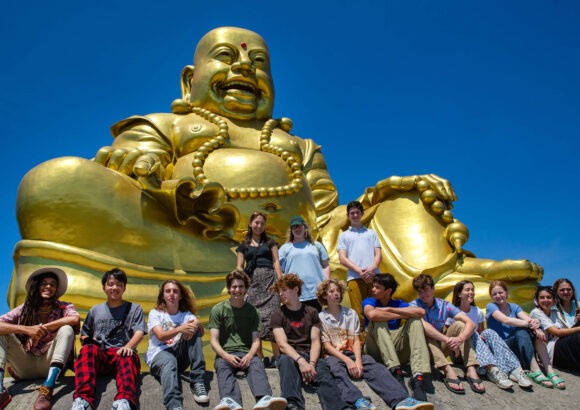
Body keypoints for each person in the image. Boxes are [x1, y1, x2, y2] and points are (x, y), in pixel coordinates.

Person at [13, 26, 543, 317]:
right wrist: (146, 164)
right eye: (227, 57)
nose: (244, 68)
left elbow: (332, 214)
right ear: (187, 80)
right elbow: (127, 159)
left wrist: (391, 195)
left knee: (398, 201)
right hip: (193, 247)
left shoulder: (297, 145)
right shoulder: (165, 125)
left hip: (302, 260)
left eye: (258, 63)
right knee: (55, 184)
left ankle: (443, 285)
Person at [270, 274, 373, 410]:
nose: (281, 294)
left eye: (284, 290)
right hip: (291, 356)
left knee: (324, 372)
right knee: (284, 361)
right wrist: (301, 362)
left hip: (310, 354)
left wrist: (311, 363)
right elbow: (282, 345)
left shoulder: (311, 312)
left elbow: (316, 341)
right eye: (279, 291)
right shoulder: (278, 314)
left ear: (295, 290)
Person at [318, 279, 434, 410]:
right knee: (335, 369)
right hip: (335, 355)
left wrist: (358, 361)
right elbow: (327, 346)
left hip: (352, 352)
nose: (336, 294)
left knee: (375, 366)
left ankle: (401, 400)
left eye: (338, 291)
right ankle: (358, 400)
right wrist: (348, 361)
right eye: (331, 291)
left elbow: (355, 340)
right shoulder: (321, 318)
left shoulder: (351, 314)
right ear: (324, 296)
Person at [67, 268, 146, 410]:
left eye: (118, 284)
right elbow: (84, 333)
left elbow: (139, 331)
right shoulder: (95, 310)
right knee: (87, 350)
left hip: (121, 355)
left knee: (128, 354)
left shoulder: (134, 308)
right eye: (110, 284)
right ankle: (82, 401)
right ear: (104, 287)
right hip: (101, 356)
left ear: (124, 287)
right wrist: (89, 340)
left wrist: (129, 346)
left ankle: (123, 401)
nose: (114, 288)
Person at [208, 270, 287, 410]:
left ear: (246, 289)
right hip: (226, 354)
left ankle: (264, 398)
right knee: (222, 366)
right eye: (234, 287)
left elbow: (256, 340)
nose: (237, 290)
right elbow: (213, 340)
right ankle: (230, 401)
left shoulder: (253, 311)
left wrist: (250, 355)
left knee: (256, 365)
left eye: (241, 287)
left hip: (246, 352)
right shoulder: (218, 309)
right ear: (229, 288)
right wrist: (225, 355)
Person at [0, 268, 79, 410]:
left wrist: (41, 329)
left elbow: (74, 319)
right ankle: (0, 391)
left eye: (52, 284)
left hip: (50, 364)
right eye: (44, 283)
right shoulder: (24, 309)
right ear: (36, 286)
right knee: (2, 333)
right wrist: (27, 330)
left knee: (67, 328)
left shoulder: (64, 307)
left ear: (56, 289)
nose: (48, 287)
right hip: (25, 365)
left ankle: (47, 389)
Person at [146, 279, 209, 410]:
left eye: (175, 291)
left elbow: (201, 333)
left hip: (179, 357)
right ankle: (173, 408)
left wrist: (197, 324)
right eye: (168, 291)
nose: (171, 294)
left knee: (195, 332)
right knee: (169, 360)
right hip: (160, 354)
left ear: (180, 296)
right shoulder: (155, 313)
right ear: (163, 295)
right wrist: (181, 329)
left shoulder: (186, 315)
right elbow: (161, 336)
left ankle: (197, 381)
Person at [449, 280, 531, 390]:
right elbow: (448, 333)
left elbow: (481, 333)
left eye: (472, 290)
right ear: (459, 294)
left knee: (488, 332)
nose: (471, 292)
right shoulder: (453, 312)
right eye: (467, 290)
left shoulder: (476, 311)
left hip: (479, 350)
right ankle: (493, 371)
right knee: (471, 330)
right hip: (462, 351)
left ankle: (516, 370)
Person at [410, 274, 484, 394]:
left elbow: (470, 323)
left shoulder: (444, 305)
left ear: (433, 289)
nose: (423, 295)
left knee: (460, 325)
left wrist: (459, 339)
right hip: (423, 348)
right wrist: (446, 339)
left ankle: (470, 368)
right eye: (420, 292)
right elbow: (425, 327)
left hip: (441, 346)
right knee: (424, 330)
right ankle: (447, 370)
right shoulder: (414, 305)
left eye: (426, 290)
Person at [362, 273, 431, 401]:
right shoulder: (369, 301)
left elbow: (421, 312)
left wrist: (389, 309)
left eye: (377, 287)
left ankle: (418, 376)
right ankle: (395, 372)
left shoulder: (398, 303)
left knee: (415, 321)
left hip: (396, 347)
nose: (373, 289)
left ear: (388, 291)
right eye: (373, 286)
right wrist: (400, 315)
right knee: (378, 320)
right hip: (375, 349)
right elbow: (371, 314)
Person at [486, 281, 561, 389]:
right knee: (522, 330)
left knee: (535, 331)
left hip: (517, 344)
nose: (498, 296)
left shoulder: (514, 307)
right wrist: (530, 325)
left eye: (500, 292)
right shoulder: (491, 306)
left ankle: (549, 371)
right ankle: (535, 369)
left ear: (506, 293)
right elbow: (505, 320)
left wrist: (536, 325)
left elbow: (527, 319)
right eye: (494, 294)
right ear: (491, 296)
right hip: (502, 345)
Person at [236, 211, 282, 363]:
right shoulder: (243, 246)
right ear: (250, 224)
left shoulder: (270, 243)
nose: (259, 226)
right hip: (253, 285)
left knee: (273, 319)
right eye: (256, 222)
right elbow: (239, 267)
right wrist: (243, 288)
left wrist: (280, 283)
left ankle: (277, 357)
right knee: (256, 321)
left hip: (270, 282)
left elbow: (276, 262)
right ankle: (260, 357)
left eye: (262, 223)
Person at [337, 200, 382, 332]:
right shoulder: (344, 236)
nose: (355, 215)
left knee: (377, 309)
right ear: (348, 215)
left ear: (362, 213)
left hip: (374, 277)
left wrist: (372, 268)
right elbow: (342, 258)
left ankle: (379, 341)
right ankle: (362, 346)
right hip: (354, 278)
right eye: (352, 213)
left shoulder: (371, 233)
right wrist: (359, 271)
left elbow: (378, 254)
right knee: (359, 313)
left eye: (357, 212)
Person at [278, 215, 330, 312]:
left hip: (315, 293)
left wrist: (326, 282)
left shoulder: (316, 245)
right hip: (294, 293)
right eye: (294, 227)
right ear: (291, 230)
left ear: (305, 227)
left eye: (300, 226)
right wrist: (283, 288)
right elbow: (279, 269)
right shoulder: (285, 248)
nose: (297, 229)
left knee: (315, 324)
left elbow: (326, 265)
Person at [530, 285, 580, 379]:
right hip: (550, 350)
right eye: (542, 297)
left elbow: (568, 329)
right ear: (537, 300)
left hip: (560, 343)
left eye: (549, 297)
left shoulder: (554, 312)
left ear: (553, 300)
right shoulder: (536, 312)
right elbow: (557, 333)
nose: (546, 300)